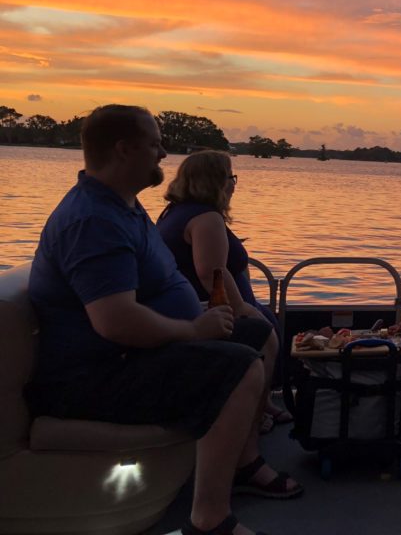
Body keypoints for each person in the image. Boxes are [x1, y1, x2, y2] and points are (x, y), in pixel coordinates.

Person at [27, 105, 300, 535]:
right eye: (155, 143)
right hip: (93, 377)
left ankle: (244, 463)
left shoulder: (125, 208)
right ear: (123, 149)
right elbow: (114, 321)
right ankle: (209, 519)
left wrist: (198, 319)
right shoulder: (93, 220)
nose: (163, 153)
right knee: (236, 365)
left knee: (254, 331)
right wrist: (193, 330)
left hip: (127, 357)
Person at [157, 150, 292, 434]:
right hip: (211, 310)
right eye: (231, 177)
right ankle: (252, 423)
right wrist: (241, 308)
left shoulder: (177, 213)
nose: (234, 184)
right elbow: (211, 272)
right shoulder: (205, 218)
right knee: (262, 331)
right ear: (215, 181)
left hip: (202, 306)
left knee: (267, 319)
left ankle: (263, 403)